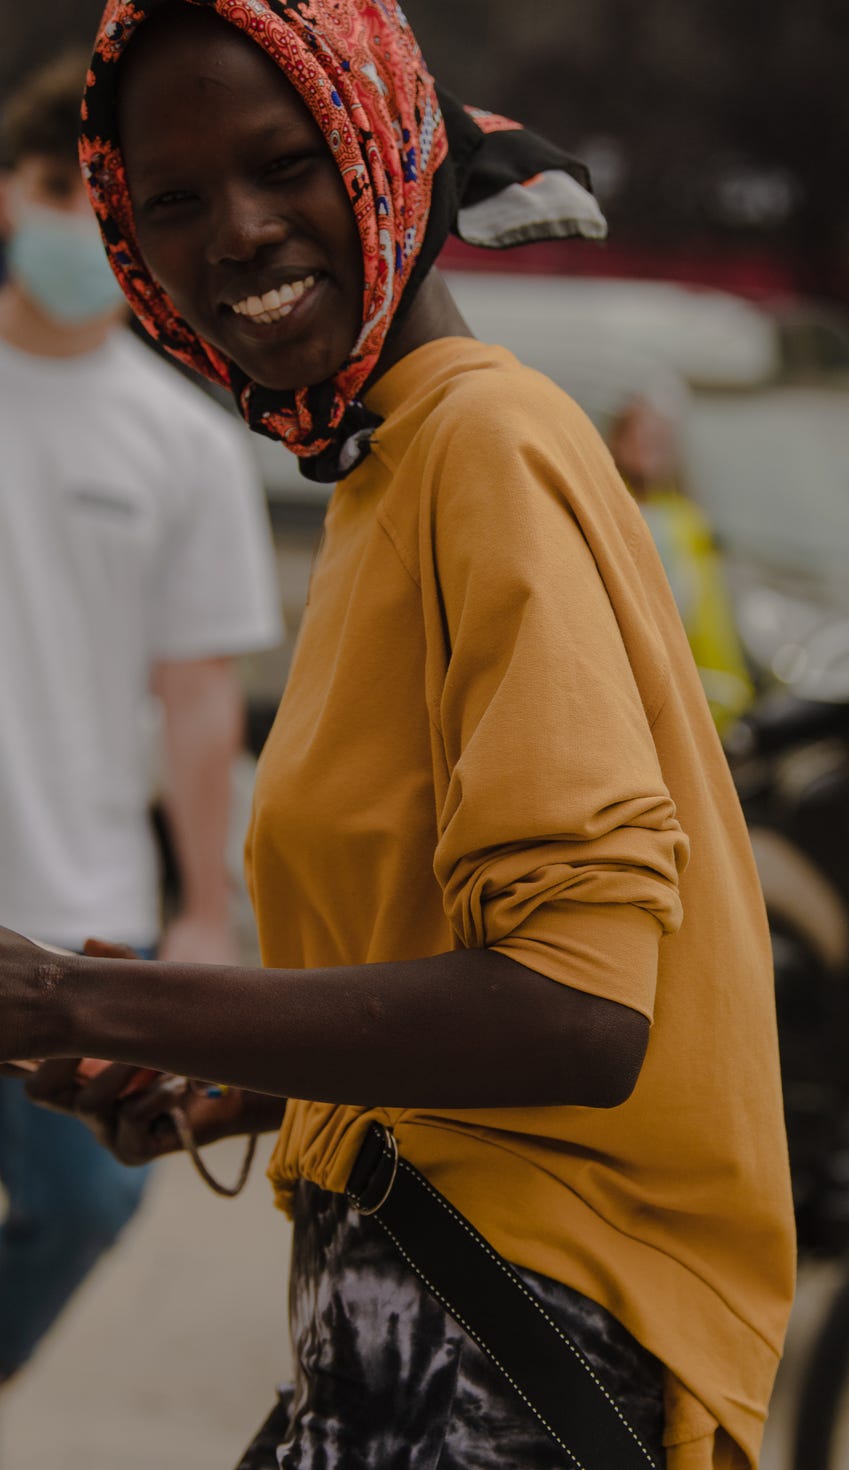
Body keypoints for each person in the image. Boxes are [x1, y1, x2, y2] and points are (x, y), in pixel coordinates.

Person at [0, 4, 795, 1467]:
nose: (233, 233)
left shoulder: (482, 445)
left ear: (383, 152)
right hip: (423, 1301)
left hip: (515, 1326)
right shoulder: (384, 466)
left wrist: (82, 1004)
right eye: (172, 199)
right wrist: (228, 1081)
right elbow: (458, 971)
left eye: (282, 163)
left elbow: (580, 1013)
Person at [0, 48, 283, 1387]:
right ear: (8, 190)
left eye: (92, 188)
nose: (68, 214)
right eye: (49, 180)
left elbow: (196, 698)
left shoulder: (185, 446)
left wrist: (206, 918)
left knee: (89, 1204)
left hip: (72, 917)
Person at [607, 391, 756, 738]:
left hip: (701, 688)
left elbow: (709, 611)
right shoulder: (609, 510)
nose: (647, 446)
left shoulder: (688, 520)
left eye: (657, 438)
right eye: (637, 434)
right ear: (616, 439)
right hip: (638, 688)